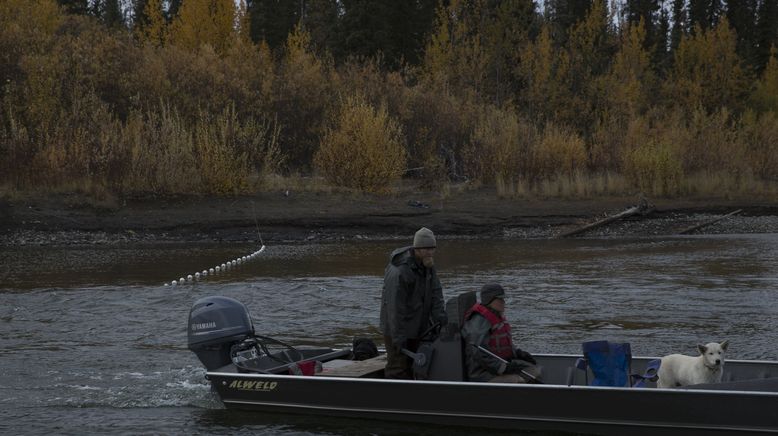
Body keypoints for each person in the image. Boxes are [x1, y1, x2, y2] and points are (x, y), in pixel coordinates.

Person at [379, 227, 448, 379]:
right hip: (396, 329)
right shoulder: (399, 272)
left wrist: (441, 318)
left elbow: (437, 293)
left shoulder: (428, 265)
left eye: (433, 249)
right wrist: (398, 338)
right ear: (418, 249)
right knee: (398, 366)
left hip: (418, 326)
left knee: (417, 365)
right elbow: (394, 308)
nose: (431, 252)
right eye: (427, 249)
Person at [461, 283, 541, 383]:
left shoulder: (496, 316)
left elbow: (502, 345)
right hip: (482, 373)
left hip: (498, 366)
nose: (503, 302)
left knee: (534, 370)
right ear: (489, 300)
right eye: (500, 299)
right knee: (518, 381)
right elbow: (479, 354)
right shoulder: (479, 322)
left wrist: (519, 354)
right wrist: (504, 368)